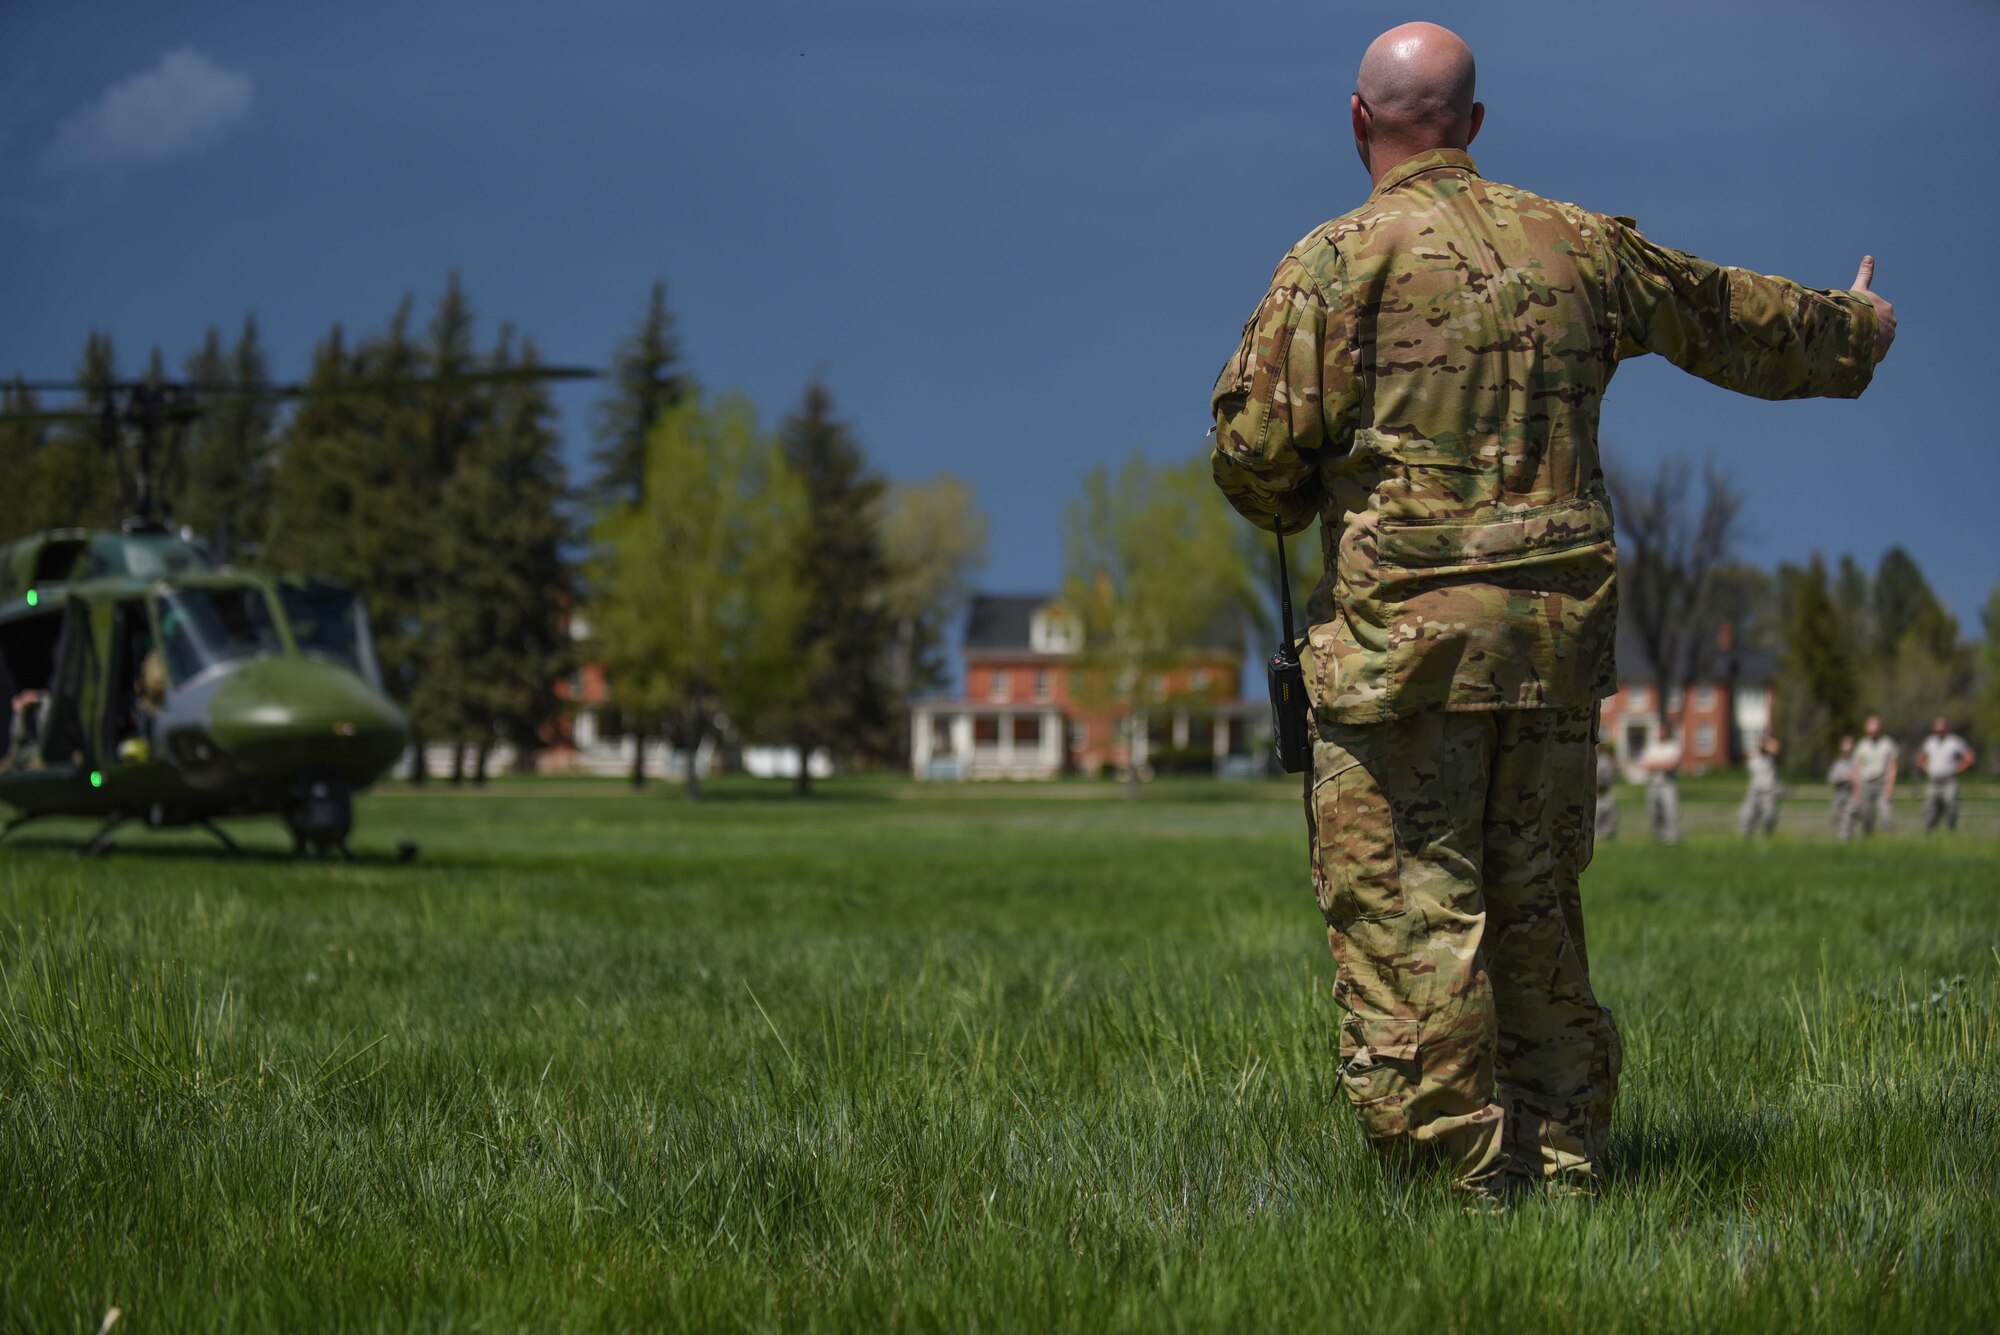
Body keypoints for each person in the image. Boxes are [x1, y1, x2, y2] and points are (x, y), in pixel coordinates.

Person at [1208, 21, 1893, 1201]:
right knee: (1534, 910)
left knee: (1414, 922)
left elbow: (1257, 457)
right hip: (1553, 650)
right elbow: (1724, 318)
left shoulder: (1331, 264)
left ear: (1359, 122)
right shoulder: (1578, 245)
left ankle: (1465, 1200)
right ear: (1471, 126)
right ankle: (1564, 1171)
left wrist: (1309, 480)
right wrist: (1851, 331)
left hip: (1398, 662)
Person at [1916, 715, 1976, 833]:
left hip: (1949, 781)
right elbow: (1919, 757)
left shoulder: (1955, 741)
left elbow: (1970, 757)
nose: (1939, 732)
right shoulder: (1930, 742)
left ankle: (1950, 831)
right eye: (1937, 730)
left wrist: (1958, 768)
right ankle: (1929, 832)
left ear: (1947, 729)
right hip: (1933, 782)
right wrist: (1927, 768)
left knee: (1951, 807)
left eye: (1941, 730)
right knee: (1930, 808)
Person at [1849, 715, 1899, 837]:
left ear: (1880, 729)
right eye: (1870, 731)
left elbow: (1893, 766)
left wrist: (1890, 786)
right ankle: (1868, 839)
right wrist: (1857, 790)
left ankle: (1890, 840)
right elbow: (1857, 769)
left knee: (1886, 814)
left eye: (1875, 731)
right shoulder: (1862, 745)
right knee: (1866, 815)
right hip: (1866, 783)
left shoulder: (1888, 743)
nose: (1872, 734)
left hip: (1882, 783)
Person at [1641, 734, 1684, 845]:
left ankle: (1673, 837)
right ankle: (1659, 836)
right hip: (1653, 785)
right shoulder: (1652, 747)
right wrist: (1663, 763)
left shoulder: (1672, 747)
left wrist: (1656, 764)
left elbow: (1672, 765)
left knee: (1670, 811)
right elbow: (1646, 765)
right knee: (1654, 811)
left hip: (1668, 784)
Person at [1738, 733, 1783, 837]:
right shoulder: (1755, 755)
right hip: (1755, 789)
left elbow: (1776, 749)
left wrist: (1768, 743)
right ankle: (1745, 838)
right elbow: (1749, 754)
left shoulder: (1771, 757)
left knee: (1769, 816)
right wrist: (1761, 745)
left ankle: (1766, 837)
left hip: (1769, 790)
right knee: (1747, 815)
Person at [1827, 736, 1857, 841]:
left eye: (1849, 745)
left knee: (1848, 817)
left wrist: (1851, 778)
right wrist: (1841, 778)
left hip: (1851, 795)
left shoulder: (1856, 762)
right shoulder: (1838, 762)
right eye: (1845, 745)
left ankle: (1845, 840)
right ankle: (1840, 838)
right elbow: (1832, 778)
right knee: (1835, 817)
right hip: (1839, 794)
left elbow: (1858, 777)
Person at [1594, 740, 1619, 842]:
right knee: (1596, 818)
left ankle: (1608, 836)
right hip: (1594, 796)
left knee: (1610, 818)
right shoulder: (1589, 760)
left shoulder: (1605, 761)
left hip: (1604, 794)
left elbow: (1610, 777)